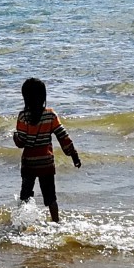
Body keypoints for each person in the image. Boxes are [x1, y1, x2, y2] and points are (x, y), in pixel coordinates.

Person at [12, 77, 79, 222]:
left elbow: (21, 142)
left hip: (29, 163)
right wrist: (73, 154)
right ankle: (56, 221)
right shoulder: (50, 115)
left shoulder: (23, 116)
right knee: (50, 197)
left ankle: (21, 223)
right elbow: (63, 136)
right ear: (43, 97)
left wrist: (15, 137)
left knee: (25, 195)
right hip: (46, 164)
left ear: (25, 98)